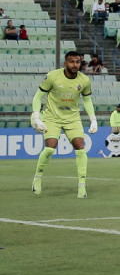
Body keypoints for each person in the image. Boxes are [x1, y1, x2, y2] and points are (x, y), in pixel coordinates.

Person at [30, 50, 97, 198]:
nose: (75, 65)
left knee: (80, 148)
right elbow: (38, 97)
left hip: (72, 118)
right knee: (50, 148)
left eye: (78, 62)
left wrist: (93, 119)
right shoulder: (52, 76)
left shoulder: (84, 80)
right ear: (65, 63)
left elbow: (87, 100)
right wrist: (36, 117)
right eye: (72, 62)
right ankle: (37, 177)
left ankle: (82, 187)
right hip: (52, 117)